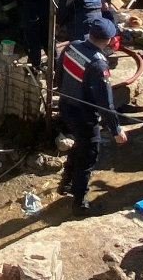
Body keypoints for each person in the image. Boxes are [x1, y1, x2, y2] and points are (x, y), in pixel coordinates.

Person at [54, 18, 127, 215]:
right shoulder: (98, 64)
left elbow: (59, 74)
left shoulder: (72, 47)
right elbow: (106, 103)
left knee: (78, 145)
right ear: (109, 39)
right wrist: (116, 130)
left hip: (66, 106)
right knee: (88, 155)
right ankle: (79, 203)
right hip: (83, 115)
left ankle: (66, 182)